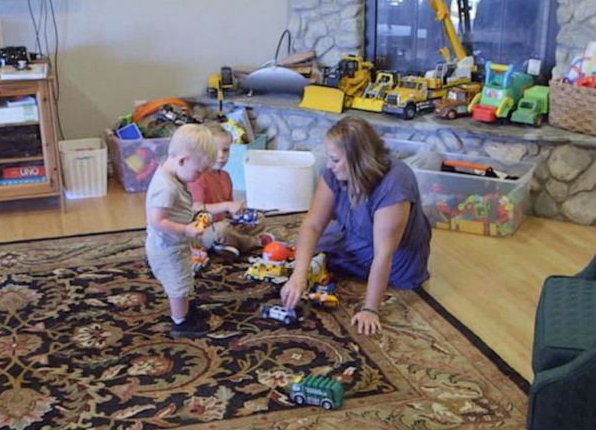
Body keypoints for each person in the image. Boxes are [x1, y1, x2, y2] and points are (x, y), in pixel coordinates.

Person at [280, 117, 431, 335]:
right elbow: (313, 224)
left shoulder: (394, 185)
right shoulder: (334, 170)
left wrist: (370, 309)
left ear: (357, 160)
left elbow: (383, 256)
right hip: (355, 234)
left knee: (324, 253)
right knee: (308, 247)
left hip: (395, 257)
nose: (328, 166)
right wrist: (298, 275)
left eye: (334, 160)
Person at [145, 124, 217, 338]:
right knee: (178, 285)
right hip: (167, 249)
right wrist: (186, 229)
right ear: (182, 160)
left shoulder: (173, 175)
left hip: (175, 244)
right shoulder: (165, 187)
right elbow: (157, 220)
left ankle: (185, 309)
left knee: (184, 278)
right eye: (198, 171)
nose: (199, 177)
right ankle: (180, 323)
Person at [187, 123, 272, 255]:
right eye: (215, 150)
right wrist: (226, 206)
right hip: (203, 229)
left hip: (224, 222)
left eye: (226, 150)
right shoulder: (197, 177)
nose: (221, 155)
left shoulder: (225, 176)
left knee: (259, 219)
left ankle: (228, 244)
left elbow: (230, 210)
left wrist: (238, 214)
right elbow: (196, 208)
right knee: (222, 231)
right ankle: (254, 242)